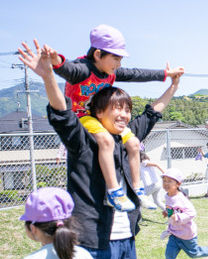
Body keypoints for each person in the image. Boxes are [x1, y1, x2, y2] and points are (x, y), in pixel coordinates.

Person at [18, 39, 183, 259]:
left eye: (126, 110)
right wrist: (47, 77)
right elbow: (61, 111)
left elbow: (155, 111)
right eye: (115, 110)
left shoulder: (127, 139)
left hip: (126, 240)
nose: (123, 115)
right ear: (97, 112)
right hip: (94, 240)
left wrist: (172, 85)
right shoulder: (83, 141)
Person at [48, 24, 181, 211]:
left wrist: (166, 74)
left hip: (100, 119)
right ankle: (114, 191)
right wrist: (57, 61)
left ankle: (137, 189)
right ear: (97, 55)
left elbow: (136, 74)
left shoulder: (110, 73)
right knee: (105, 140)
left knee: (134, 143)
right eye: (115, 58)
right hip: (82, 117)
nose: (119, 64)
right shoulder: (83, 69)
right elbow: (68, 69)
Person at [159, 168, 208, 259]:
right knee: (169, 255)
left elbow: (192, 213)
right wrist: (167, 213)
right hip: (174, 233)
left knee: (194, 254)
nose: (166, 184)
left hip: (187, 235)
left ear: (178, 184)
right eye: (164, 181)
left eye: (169, 181)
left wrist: (177, 217)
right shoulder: (167, 196)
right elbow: (171, 209)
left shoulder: (182, 198)